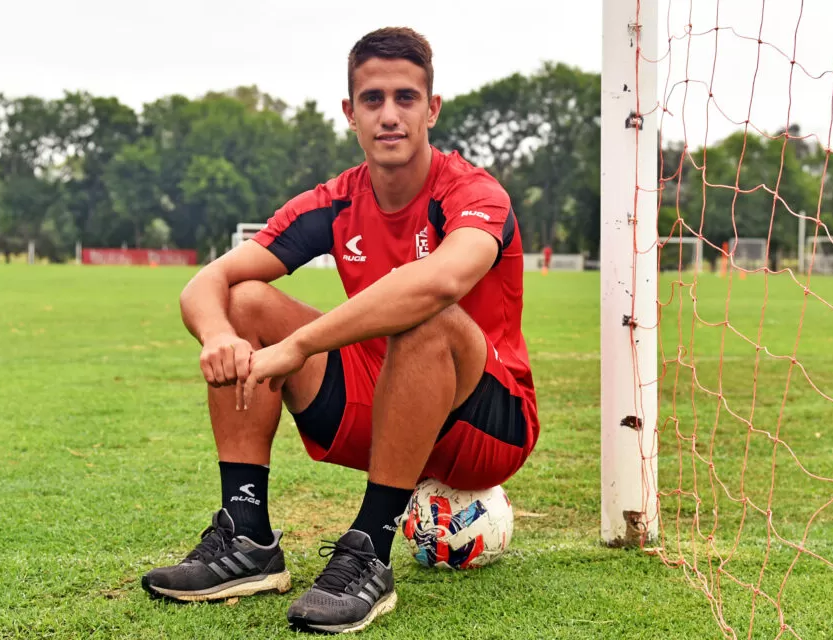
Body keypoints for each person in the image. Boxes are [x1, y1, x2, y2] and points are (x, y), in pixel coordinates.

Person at [141, 26, 539, 634]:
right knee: (244, 300)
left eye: (406, 98)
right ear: (349, 112)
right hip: (384, 404)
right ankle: (247, 538)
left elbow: (440, 284)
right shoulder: (334, 201)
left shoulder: (471, 192)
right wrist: (220, 334)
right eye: (372, 99)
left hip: (487, 421)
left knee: (424, 312)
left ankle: (369, 554)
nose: (389, 115)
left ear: (431, 108)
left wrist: (297, 346)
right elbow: (207, 282)